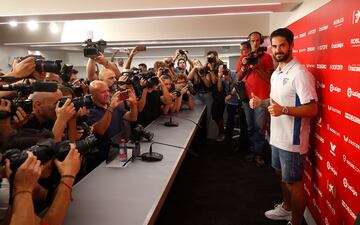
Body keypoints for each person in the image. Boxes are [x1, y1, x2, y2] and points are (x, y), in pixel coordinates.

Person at [249, 28, 318, 225]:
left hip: (292, 141)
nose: (278, 50)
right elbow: (275, 101)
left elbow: (312, 109)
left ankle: (296, 222)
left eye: (282, 45)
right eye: (275, 46)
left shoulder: (300, 74)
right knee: (281, 176)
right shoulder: (276, 72)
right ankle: (287, 209)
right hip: (277, 136)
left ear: (291, 45)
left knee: (294, 184)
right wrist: (261, 103)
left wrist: (284, 111)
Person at [238, 31, 274, 166]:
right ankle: (253, 151)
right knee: (251, 127)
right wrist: (244, 66)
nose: (255, 43)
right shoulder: (244, 57)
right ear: (249, 41)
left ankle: (259, 153)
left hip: (261, 98)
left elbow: (269, 78)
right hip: (247, 98)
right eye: (252, 41)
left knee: (260, 128)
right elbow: (239, 78)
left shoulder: (267, 58)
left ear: (261, 41)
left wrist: (257, 67)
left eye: (257, 40)